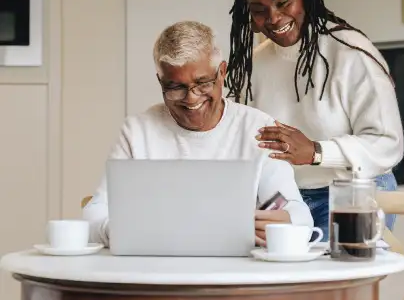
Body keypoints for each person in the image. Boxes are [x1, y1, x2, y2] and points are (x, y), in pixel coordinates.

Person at [83, 20, 313, 247]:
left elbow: (299, 215)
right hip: (156, 268)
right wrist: (119, 229)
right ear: (160, 81)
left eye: (202, 83)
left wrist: (286, 222)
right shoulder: (137, 132)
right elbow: (94, 211)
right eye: (175, 87)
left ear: (222, 72)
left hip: (237, 273)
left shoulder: (258, 129)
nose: (191, 98)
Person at [226, 0, 404, 239]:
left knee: (334, 282)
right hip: (285, 200)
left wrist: (316, 152)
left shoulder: (350, 51)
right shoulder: (253, 65)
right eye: (258, 11)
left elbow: (387, 145)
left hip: (352, 193)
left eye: (283, 2)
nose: (273, 18)